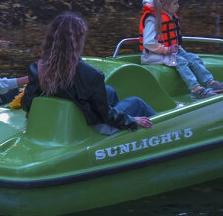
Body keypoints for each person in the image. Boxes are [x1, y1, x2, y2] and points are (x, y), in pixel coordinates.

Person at [21, 12, 154, 133]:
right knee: (136, 102)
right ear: (78, 41)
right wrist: (131, 120)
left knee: (109, 91)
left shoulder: (37, 68)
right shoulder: (91, 74)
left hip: (62, 124)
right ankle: (161, 130)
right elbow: (104, 115)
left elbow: (26, 104)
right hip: (94, 127)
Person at [139, 0, 223, 99]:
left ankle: (209, 82)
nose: (178, 6)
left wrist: (176, 49)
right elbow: (148, 43)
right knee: (180, 61)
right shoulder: (152, 19)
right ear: (164, 5)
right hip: (152, 55)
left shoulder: (167, 14)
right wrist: (167, 50)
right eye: (175, 3)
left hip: (169, 51)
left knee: (193, 58)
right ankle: (196, 90)